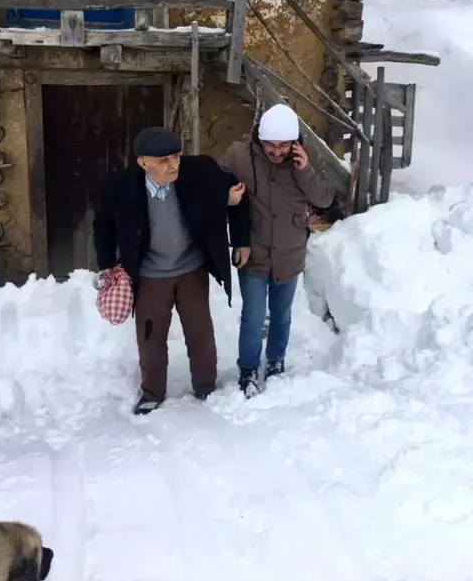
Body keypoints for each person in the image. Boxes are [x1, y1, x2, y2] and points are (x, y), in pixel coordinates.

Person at [93, 127, 251, 415]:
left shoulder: (199, 169)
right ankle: (152, 392)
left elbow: (237, 194)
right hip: (150, 273)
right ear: (144, 163)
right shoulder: (118, 187)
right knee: (151, 336)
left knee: (200, 331)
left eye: (176, 156)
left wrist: (241, 239)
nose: (174, 164)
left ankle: (205, 386)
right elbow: (103, 227)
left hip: (191, 267)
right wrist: (107, 266)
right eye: (164, 160)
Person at [219, 104, 335, 395]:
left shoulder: (306, 158)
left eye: (284, 145)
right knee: (253, 316)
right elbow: (214, 182)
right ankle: (247, 369)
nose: (277, 151)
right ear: (260, 138)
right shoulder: (239, 155)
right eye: (271, 144)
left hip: (289, 251)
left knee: (281, 315)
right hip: (253, 252)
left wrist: (305, 170)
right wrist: (226, 196)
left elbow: (324, 198)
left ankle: (275, 361)